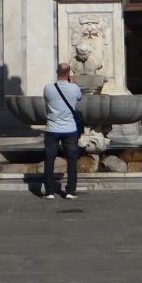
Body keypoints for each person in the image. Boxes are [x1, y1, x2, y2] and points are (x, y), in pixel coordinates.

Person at [41, 61, 84, 200]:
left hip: (52, 128)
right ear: (69, 73)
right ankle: (70, 191)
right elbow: (79, 98)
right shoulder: (75, 88)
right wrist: (71, 83)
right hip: (70, 129)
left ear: (57, 72)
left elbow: (48, 101)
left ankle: (49, 191)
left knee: (49, 160)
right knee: (71, 160)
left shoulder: (48, 88)